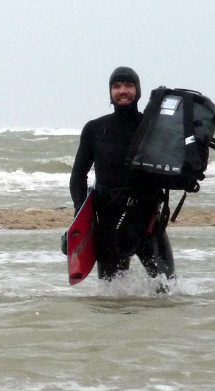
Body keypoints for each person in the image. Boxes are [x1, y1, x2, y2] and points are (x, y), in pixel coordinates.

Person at [69, 66, 175, 285]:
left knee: (168, 289)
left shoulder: (152, 127)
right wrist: (80, 215)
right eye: (116, 86)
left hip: (148, 221)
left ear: (138, 90)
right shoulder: (95, 129)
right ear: (110, 92)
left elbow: (169, 169)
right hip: (109, 222)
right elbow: (78, 174)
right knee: (110, 298)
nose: (122, 90)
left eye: (128, 85)